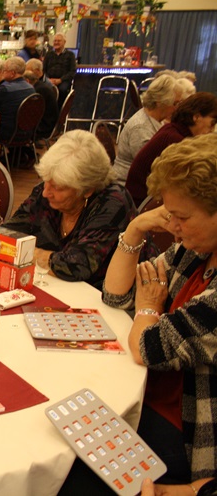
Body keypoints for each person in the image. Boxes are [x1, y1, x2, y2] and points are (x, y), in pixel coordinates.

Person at [102, 133, 217, 488]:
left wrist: (149, 308)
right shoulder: (195, 250)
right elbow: (116, 296)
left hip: (183, 431)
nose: (172, 227)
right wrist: (135, 228)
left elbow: (147, 347)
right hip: (144, 391)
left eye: (181, 216)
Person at [0, 130, 139, 289]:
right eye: (46, 181)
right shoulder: (45, 192)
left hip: (107, 299)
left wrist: (20, 251)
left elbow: (76, 266)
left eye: (58, 188)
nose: (46, 192)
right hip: (55, 289)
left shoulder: (113, 203)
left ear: (87, 189)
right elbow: (13, 229)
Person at [126, 92, 217, 206]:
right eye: (212, 124)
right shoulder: (175, 140)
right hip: (143, 203)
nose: (212, 130)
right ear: (196, 117)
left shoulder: (173, 130)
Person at [111, 75, 184, 185]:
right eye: (175, 103)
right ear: (161, 102)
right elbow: (151, 167)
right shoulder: (141, 128)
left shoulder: (158, 120)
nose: (177, 108)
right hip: (128, 186)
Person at [0, 57, 35, 143]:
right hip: (27, 132)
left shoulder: (5, 89)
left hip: (5, 132)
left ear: (12, 73)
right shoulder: (31, 88)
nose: (3, 72)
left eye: (5, 70)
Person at [43, 33, 75, 107]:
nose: (56, 42)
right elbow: (44, 69)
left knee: (62, 90)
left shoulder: (70, 55)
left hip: (63, 80)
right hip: (49, 80)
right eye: (55, 41)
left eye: (59, 41)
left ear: (64, 42)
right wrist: (48, 80)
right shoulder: (49, 54)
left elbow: (72, 71)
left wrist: (60, 80)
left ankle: (60, 111)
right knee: (43, 89)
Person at [24, 70, 58, 139]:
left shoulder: (38, 90)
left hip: (44, 127)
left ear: (27, 81)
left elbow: (33, 112)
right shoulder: (40, 86)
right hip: (48, 122)